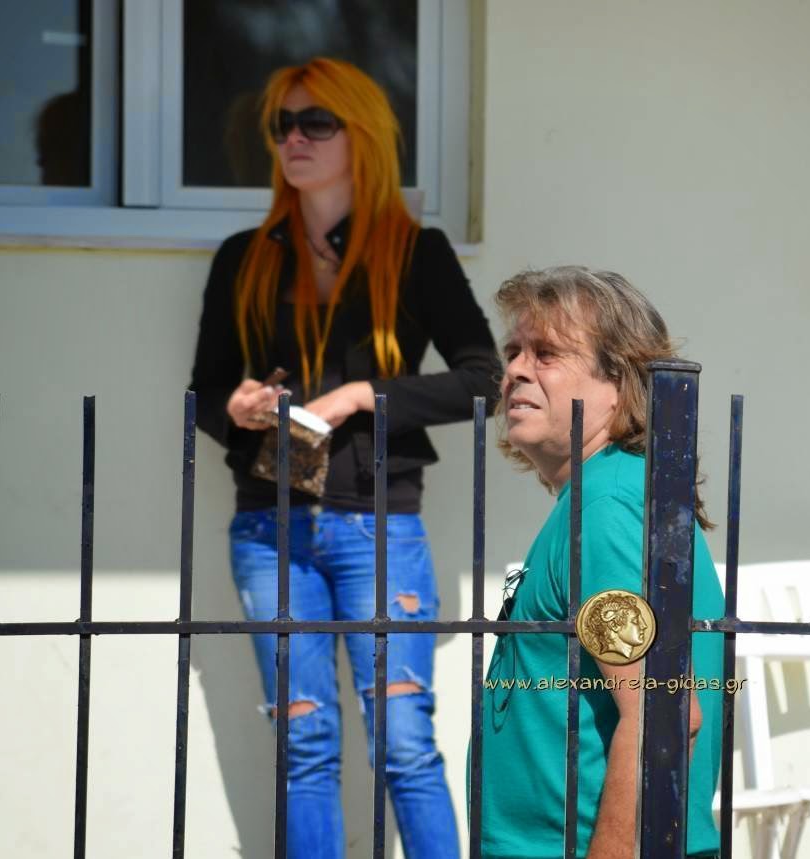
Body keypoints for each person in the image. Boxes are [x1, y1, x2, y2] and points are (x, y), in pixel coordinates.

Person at [188, 57, 498, 859]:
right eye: (281, 125)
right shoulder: (244, 256)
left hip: (378, 528)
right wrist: (237, 408)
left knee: (403, 744)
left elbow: (483, 380)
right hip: (269, 528)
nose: (293, 138)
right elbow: (206, 392)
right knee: (304, 746)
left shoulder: (416, 253)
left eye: (315, 122)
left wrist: (362, 394)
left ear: (360, 136)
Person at [478, 266, 725, 858]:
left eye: (546, 354)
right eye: (513, 352)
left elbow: (663, 713)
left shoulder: (605, 507)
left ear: (619, 383)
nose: (515, 371)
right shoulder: (600, 496)